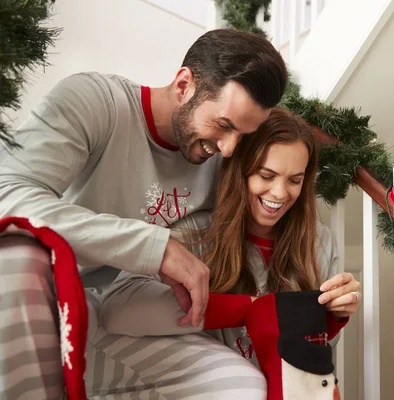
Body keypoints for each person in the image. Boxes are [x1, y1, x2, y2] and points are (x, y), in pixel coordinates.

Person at [0, 29, 287, 399]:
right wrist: (155, 246)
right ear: (184, 85)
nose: (229, 149)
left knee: (240, 385)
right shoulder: (96, 102)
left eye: (243, 135)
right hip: (46, 297)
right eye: (224, 125)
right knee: (18, 257)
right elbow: (8, 196)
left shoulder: (220, 164)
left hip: (122, 317)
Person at [97, 108, 361, 394]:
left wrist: (334, 316)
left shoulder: (318, 242)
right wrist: (247, 309)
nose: (280, 193)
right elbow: (117, 308)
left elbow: (317, 361)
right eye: (266, 175)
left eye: (294, 180)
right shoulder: (193, 234)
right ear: (241, 170)